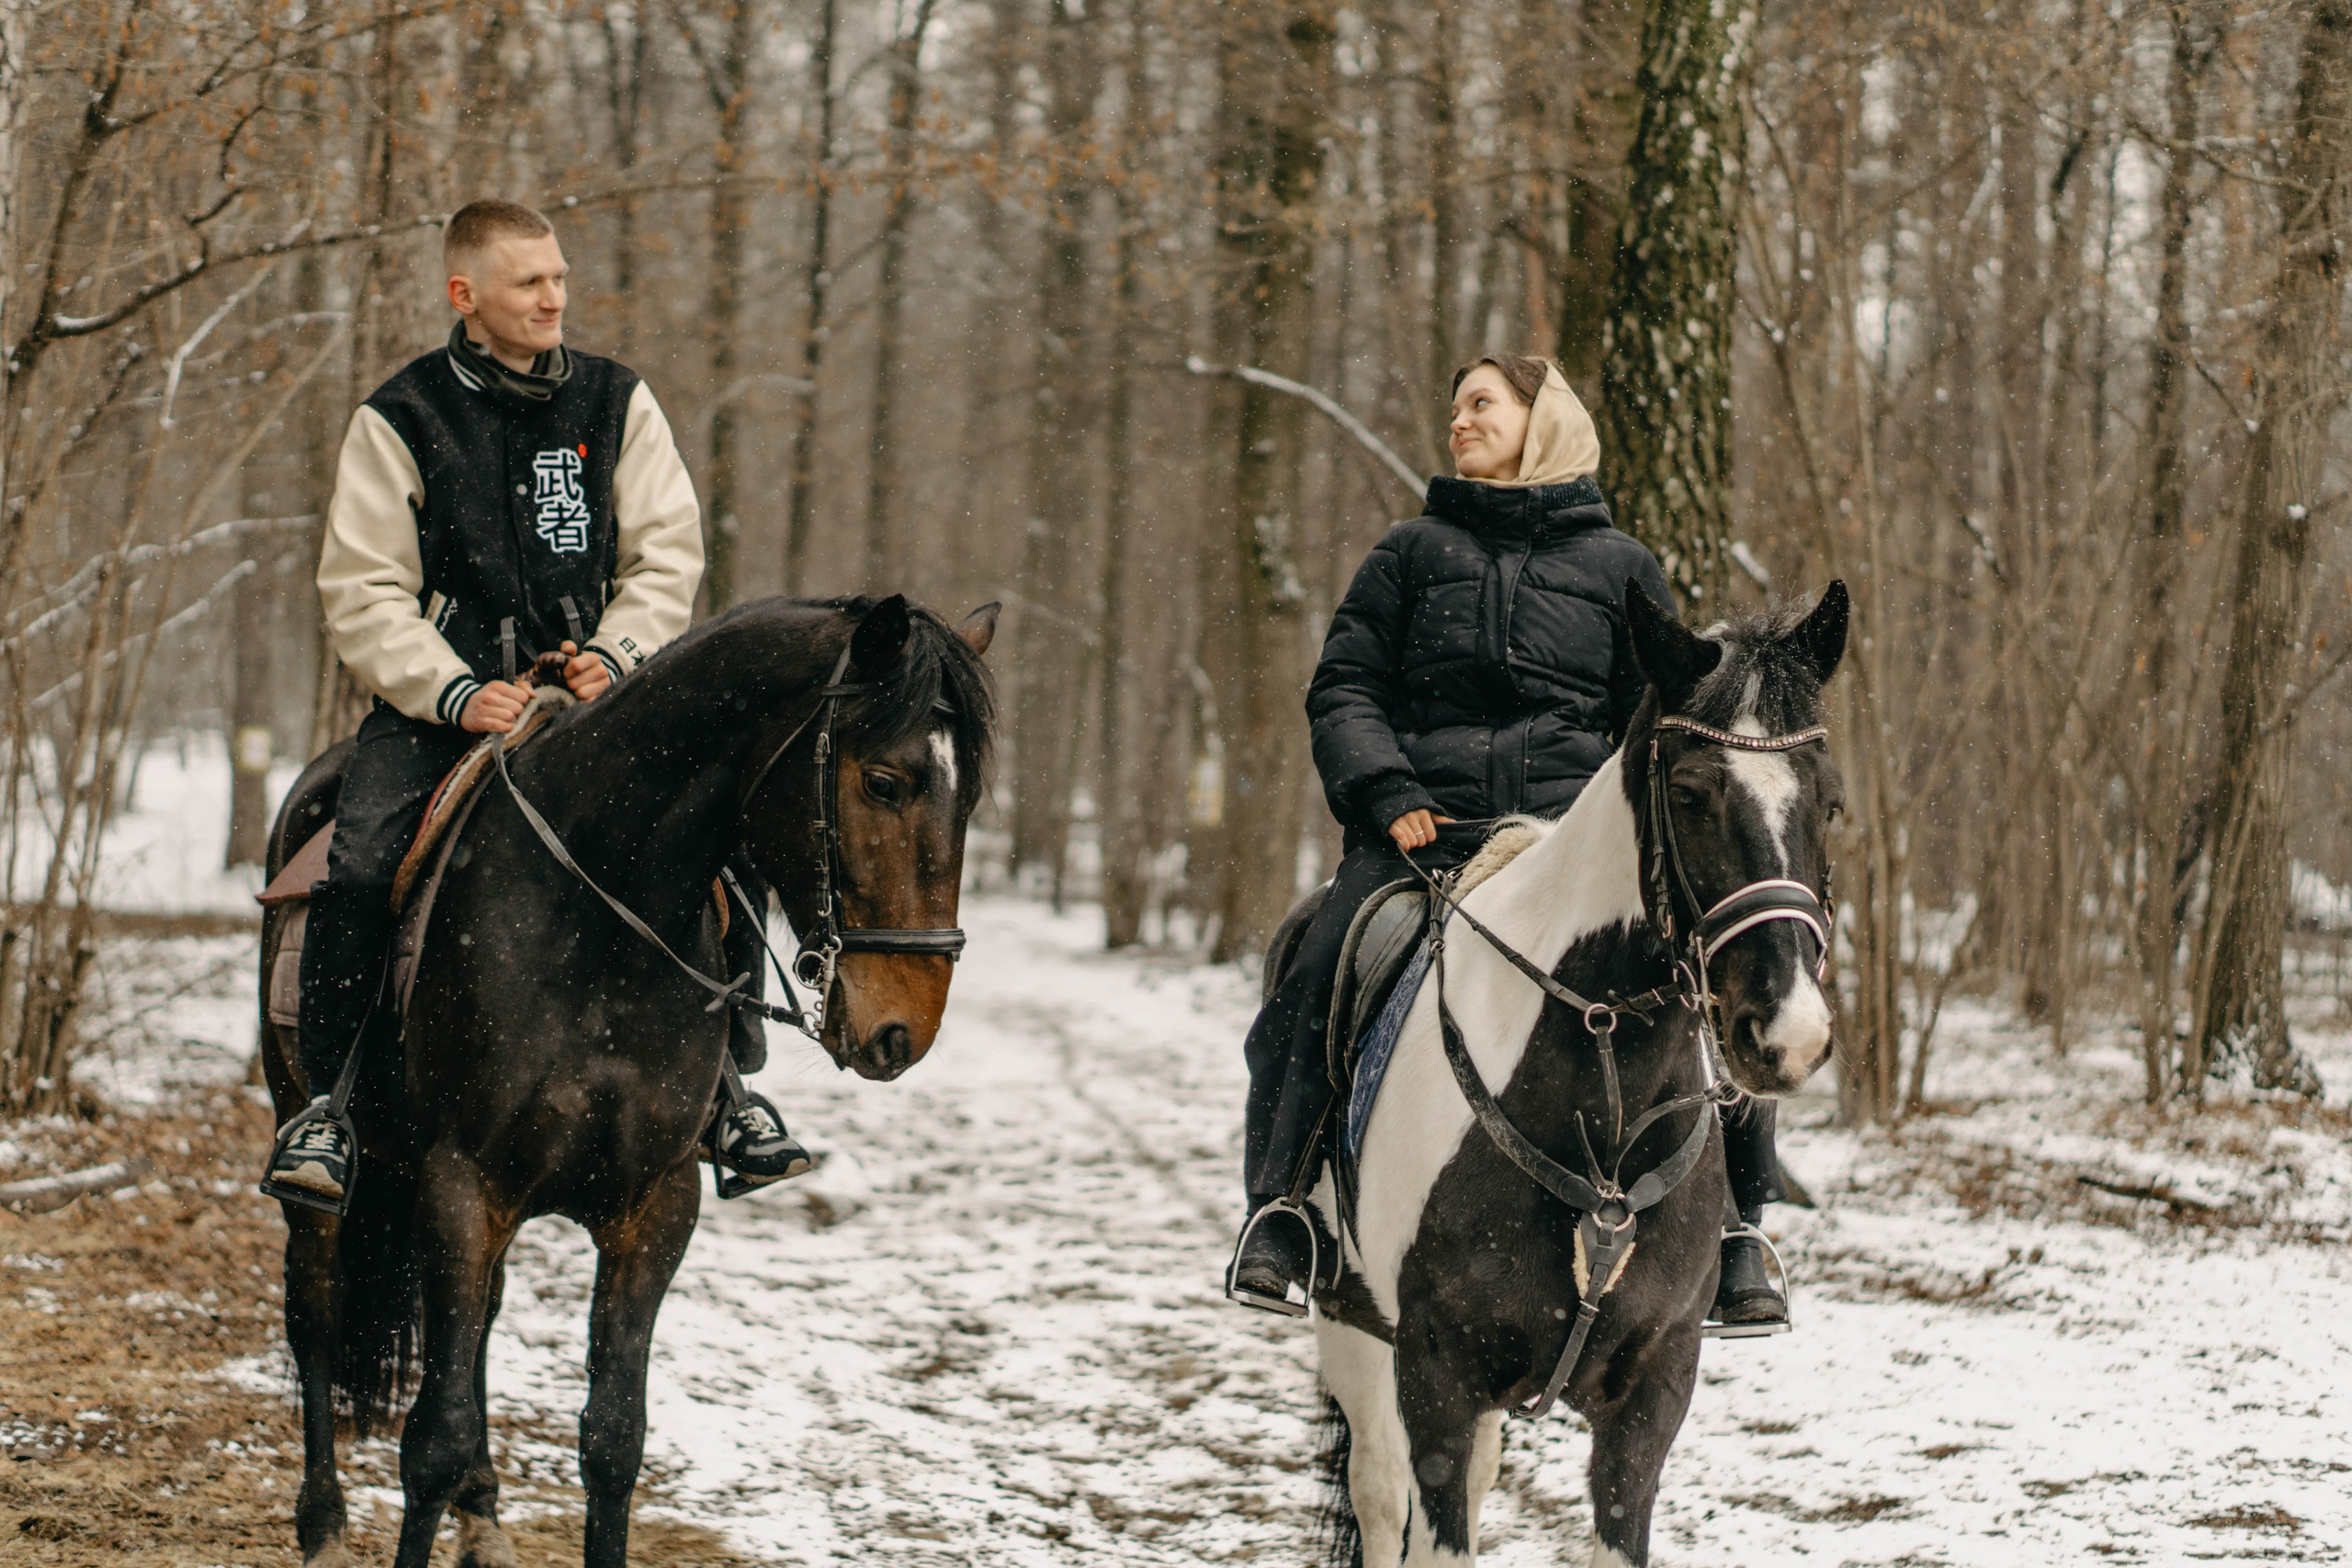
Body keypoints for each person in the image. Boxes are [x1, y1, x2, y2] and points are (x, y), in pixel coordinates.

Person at [260, 199, 808, 1213]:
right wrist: (455, 690)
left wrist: (618, 655)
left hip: (599, 703)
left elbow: (666, 554)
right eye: (529, 282)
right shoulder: (400, 417)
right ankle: (329, 1106)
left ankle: (731, 1093)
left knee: (718, 842)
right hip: (443, 708)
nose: (554, 297)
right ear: (465, 294)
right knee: (364, 862)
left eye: (559, 277)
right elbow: (363, 588)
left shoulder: (616, 401)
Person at [1228, 351, 1790, 1329]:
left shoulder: (1621, 568)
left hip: (1569, 850)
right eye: (1454, 407)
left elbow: (1655, 722)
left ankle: (1742, 1230)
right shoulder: (1408, 553)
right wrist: (1386, 789)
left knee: (1708, 966)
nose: (1460, 420)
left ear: (1544, 420)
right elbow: (1345, 688)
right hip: (1421, 839)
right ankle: (1282, 1213)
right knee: (1316, 966)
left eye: (1482, 403)